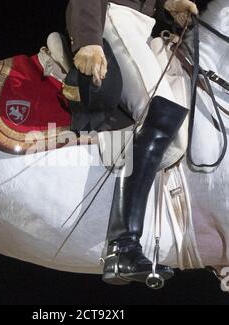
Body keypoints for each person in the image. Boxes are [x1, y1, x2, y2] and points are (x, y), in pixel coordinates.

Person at [65, 0, 198, 285]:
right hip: (115, 19)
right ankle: (122, 246)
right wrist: (88, 38)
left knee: (180, 129)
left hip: (143, 27)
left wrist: (166, 5)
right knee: (162, 114)